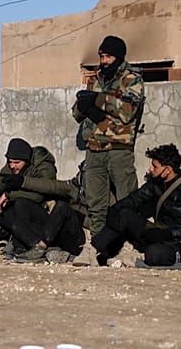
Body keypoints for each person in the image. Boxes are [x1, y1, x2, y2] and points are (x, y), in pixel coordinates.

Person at [90, 144, 181, 266]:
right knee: (124, 214)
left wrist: (169, 233)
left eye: (155, 166)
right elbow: (134, 199)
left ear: (167, 170)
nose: (150, 169)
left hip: (179, 243)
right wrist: (114, 210)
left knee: (154, 254)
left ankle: (136, 256)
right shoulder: (156, 184)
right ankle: (91, 251)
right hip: (156, 233)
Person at [72, 35, 145, 236]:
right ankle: (98, 244)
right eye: (102, 56)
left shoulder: (130, 79)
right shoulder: (95, 80)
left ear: (119, 57)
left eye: (108, 57)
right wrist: (84, 103)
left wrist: (98, 100)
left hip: (118, 149)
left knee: (126, 201)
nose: (104, 61)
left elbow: (128, 110)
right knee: (95, 204)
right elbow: (77, 114)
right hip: (94, 149)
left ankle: (128, 244)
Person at [0, 166, 87, 262]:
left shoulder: (100, 192)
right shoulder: (75, 186)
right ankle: (40, 250)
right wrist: (23, 181)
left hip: (80, 237)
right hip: (57, 234)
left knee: (62, 207)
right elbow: (50, 186)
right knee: (19, 220)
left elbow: (99, 216)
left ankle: (41, 248)